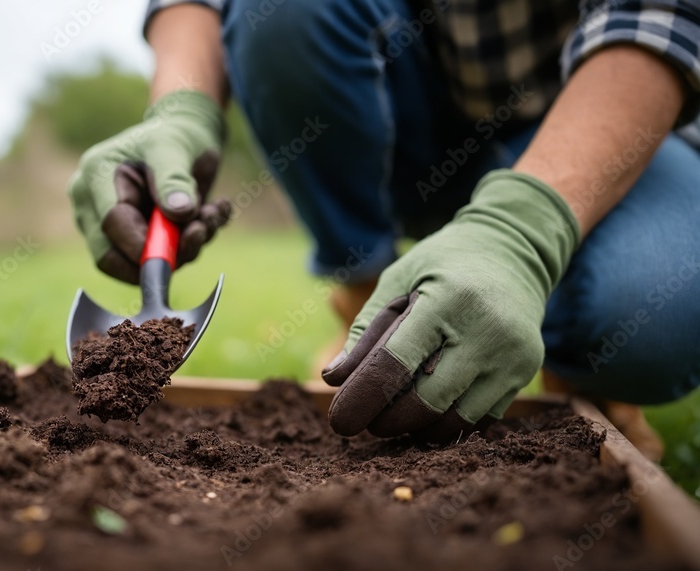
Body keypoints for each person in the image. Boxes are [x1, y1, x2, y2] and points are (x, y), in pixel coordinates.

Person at [66, 0, 700, 460]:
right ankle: (372, 313)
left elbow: (661, 16)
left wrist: (522, 232)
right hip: (401, 117)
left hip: (600, 119)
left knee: (648, 316)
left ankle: (576, 378)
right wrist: (183, 109)